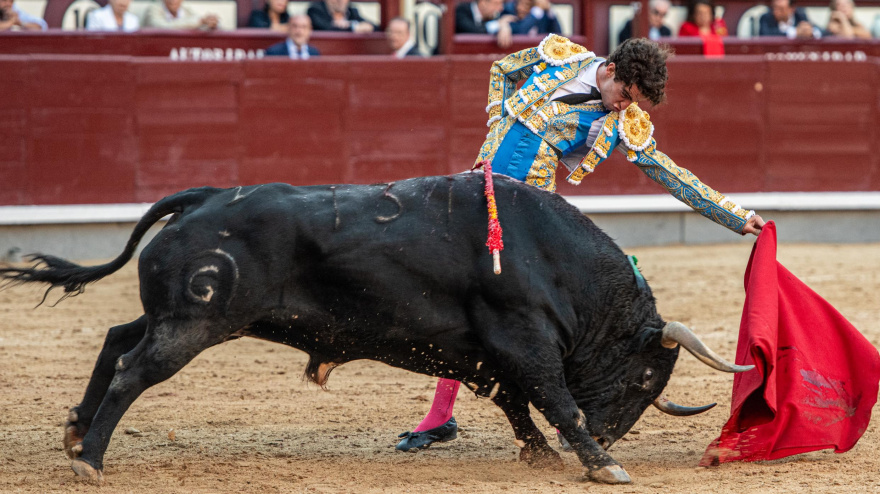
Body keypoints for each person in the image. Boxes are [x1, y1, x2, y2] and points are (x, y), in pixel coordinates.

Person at [395, 35, 765, 451]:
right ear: (609, 70)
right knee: (463, 297)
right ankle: (443, 417)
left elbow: (670, 173)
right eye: (625, 94)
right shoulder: (562, 56)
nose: (624, 106)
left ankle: (558, 420)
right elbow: (501, 69)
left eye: (634, 102)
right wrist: (497, 122)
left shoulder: (623, 122)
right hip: (476, 192)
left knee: (522, 309)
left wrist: (733, 214)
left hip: (530, 216)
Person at [140, 0, 219, 30]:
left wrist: (210, 23)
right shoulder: (153, 9)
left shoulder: (187, 10)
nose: (173, 1)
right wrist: (198, 22)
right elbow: (163, 27)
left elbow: (200, 22)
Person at [307, 0, 375, 32]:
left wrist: (368, 26)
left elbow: (375, 27)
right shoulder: (315, 10)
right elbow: (325, 28)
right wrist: (353, 27)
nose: (339, 1)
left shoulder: (352, 12)